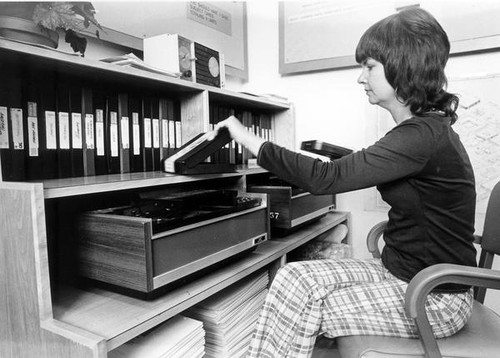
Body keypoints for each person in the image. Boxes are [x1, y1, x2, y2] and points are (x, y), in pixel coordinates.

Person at [210, 7, 477, 358]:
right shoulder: (422, 132)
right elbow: (369, 166)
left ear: (403, 65)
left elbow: (325, 179)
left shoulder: (421, 136)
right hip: (399, 273)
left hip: (435, 297)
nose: (360, 78)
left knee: (305, 306)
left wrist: (248, 138)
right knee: (294, 279)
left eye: (369, 66)